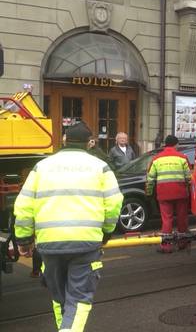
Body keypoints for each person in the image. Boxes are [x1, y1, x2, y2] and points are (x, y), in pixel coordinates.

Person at [13, 121, 123, 332]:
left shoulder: (41, 167)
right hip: (86, 242)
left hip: (49, 243)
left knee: (59, 296)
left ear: (64, 139)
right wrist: (106, 232)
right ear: (89, 143)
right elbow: (114, 202)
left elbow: (24, 204)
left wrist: (24, 240)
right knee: (79, 298)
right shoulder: (100, 167)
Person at [145, 135, 191, 253]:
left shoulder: (156, 159)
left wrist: (148, 193)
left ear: (165, 144)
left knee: (167, 219)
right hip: (180, 193)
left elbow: (150, 179)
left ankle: (166, 245)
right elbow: (188, 177)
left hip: (164, 194)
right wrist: (189, 190)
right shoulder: (182, 157)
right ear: (176, 144)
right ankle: (183, 242)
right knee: (182, 218)